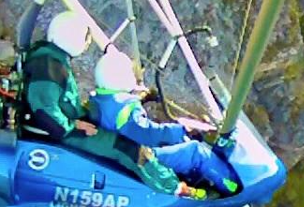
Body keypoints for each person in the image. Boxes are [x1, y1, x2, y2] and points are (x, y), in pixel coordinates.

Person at [22, 11, 192, 197]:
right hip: (66, 133)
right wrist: (74, 127)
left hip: (68, 123)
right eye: (85, 38)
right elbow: (46, 112)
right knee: (128, 148)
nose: (87, 42)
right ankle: (174, 190)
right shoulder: (49, 68)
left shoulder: (51, 59)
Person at [90, 47, 240, 197]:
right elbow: (149, 134)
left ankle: (196, 176)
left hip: (125, 154)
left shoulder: (103, 100)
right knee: (196, 152)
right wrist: (182, 129)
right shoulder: (124, 109)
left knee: (181, 140)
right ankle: (233, 188)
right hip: (143, 159)